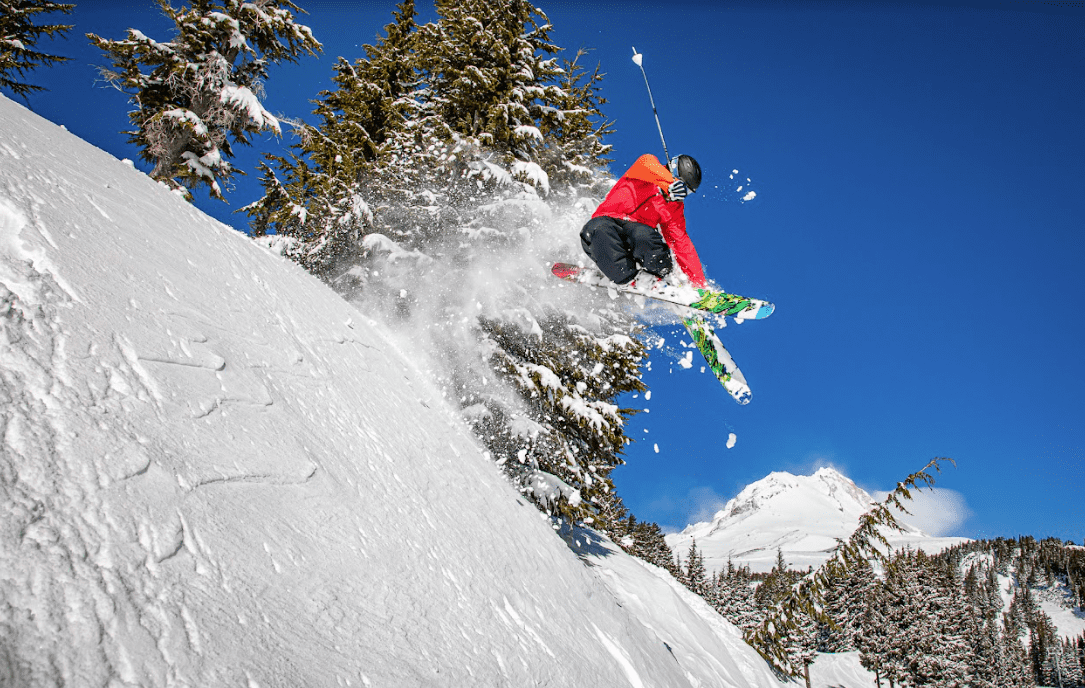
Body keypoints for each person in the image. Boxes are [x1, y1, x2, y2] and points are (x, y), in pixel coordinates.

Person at [580, 153, 706, 290]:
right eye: (683, 188)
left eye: (687, 193)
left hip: (639, 243)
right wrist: (669, 184)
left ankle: (661, 276)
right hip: (607, 227)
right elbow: (647, 165)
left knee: (642, 234)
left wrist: (699, 285)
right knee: (598, 228)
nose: (683, 195)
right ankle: (625, 276)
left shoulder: (673, 206)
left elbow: (682, 244)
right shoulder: (647, 167)